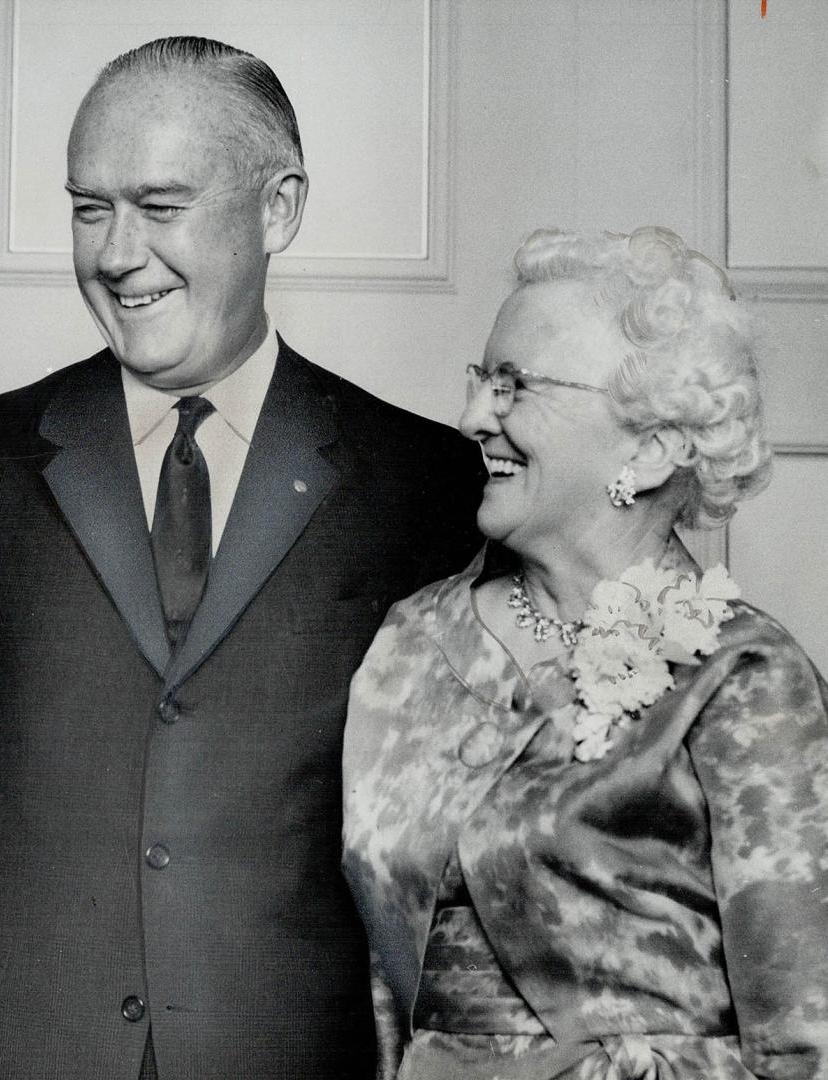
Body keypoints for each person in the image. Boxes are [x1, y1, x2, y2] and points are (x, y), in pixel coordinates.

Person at [0, 35, 484, 1080]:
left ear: (279, 208)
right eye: (90, 208)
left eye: (161, 207)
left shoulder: (424, 482)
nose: (116, 252)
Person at [342, 225, 828, 1080]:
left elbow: (804, 1039)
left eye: (512, 386)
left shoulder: (742, 677)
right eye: (479, 381)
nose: (469, 418)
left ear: (647, 448)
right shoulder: (413, 643)